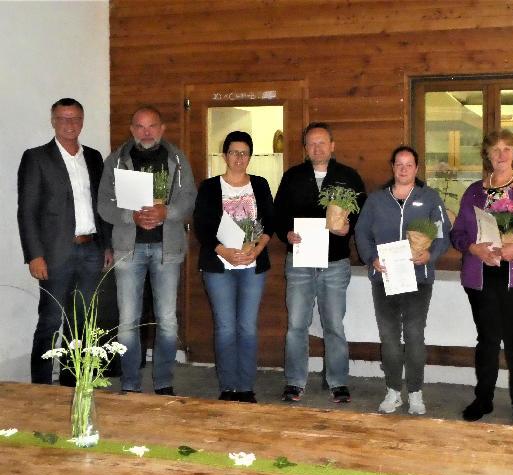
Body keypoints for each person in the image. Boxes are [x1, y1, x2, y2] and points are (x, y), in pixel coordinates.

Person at [450, 129, 513, 427]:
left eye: (507, 149)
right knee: (488, 340)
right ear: (488, 155)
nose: (502, 155)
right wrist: (472, 248)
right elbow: (458, 234)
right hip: (483, 275)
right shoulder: (474, 191)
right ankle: (484, 399)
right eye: (496, 150)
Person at [98, 106, 197, 396]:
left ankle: (164, 382)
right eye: (140, 127)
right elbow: (104, 204)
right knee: (128, 320)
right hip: (129, 250)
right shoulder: (116, 160)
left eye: (152, 126)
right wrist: (131, 216)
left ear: (162, 128)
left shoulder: (177, 159)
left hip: (167, 249)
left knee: (167, 320)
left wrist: (168, 211)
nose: (146, 132)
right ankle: (130, 384)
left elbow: (189, 199)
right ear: (131, 129)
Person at [17, 98, 113, 385]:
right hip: (55, 254)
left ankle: (75, 385)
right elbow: (27, 210)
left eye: (74, 118)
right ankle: (42, 390)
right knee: (50, 322)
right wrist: (34, 255)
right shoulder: (36, 158)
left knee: (83, 324)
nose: (69, 124)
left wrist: (106, 245)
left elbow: (101, 205)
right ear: (53, 121)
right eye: (63, 118)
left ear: (82, 121)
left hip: (91, 250)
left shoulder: (94, 157)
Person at [355, 146, 451, 415]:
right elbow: (361, 233)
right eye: (399, 163)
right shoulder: (376, 200)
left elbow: (444, 234)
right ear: (392, 166)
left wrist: (430, 255)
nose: (404, 168)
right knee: (389, 337)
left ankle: (416, 392)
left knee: (414, 334)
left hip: (418, 279)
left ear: (417, 169)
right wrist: (371, 257)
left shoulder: (429, 198)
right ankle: (394, 391)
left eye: (409, 164)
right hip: (383, 278)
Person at [273, 122, 365, 403]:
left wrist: (348, 227)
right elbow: (279, 215)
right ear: (305, 148)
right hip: (300, 260)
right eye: (311, 144)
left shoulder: (348, 177)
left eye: (322, 142)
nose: (317, 148)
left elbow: (361, 213)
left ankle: (338, 381)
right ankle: (294, 381)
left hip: (335, 262)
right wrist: (286, 233)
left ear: (332, 145)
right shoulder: (293, 176)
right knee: (297, 324)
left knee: (334, 324)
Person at [193, 131, 274, 403]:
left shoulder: (260, 185)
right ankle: (228, 387)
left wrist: (257, 250)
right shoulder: (209, 187)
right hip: (219, 266)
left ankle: (246, 386)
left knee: (248, 327)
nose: (239, 158)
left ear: (250, 156)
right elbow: (203, 227)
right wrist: (224, 251)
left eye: (244, 153)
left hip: (252, 266)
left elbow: (269, 223)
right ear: (224, 155)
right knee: (226, 327)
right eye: (234, 152)